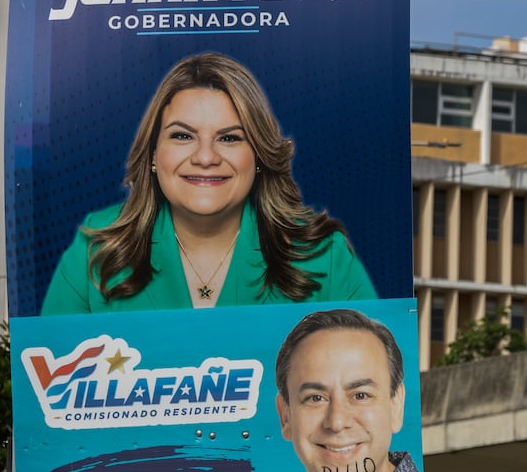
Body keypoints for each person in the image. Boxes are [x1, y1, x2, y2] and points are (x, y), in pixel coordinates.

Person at [41, 52, 377, 314]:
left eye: (230, 138)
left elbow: (375, 382)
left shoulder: (324, 256)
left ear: (258, 156)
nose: (205, 157)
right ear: (154, 154)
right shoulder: (96, 250)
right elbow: (46, 388)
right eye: (183, 135)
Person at [220, 308, 425, 472]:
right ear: (285, 417)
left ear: (396, 406)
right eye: (315, 398)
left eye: (360, 395)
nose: (337, 422)